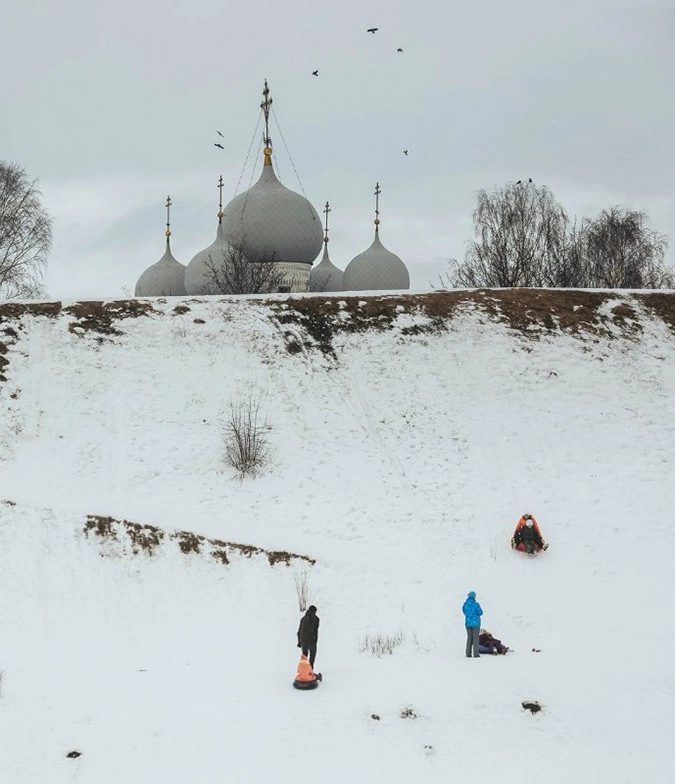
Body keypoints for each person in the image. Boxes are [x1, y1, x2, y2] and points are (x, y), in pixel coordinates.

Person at [462, 591, 483, 658]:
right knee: (475, 638)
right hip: (476, 623)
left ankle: (468, 653)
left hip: (468, 623)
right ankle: (476, 654)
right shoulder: (476, 604)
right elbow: (480, 612)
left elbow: (464, 611)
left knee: (469, 638)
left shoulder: (465, 604)